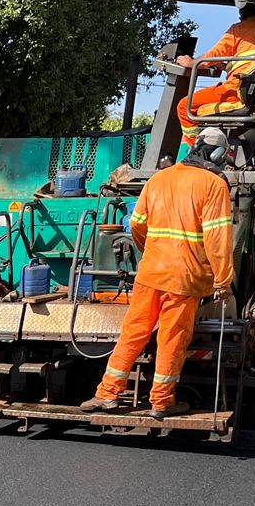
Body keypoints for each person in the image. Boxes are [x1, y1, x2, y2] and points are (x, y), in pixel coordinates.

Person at [81, 126, 234, 420]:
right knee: (171, 339)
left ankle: (107, 394)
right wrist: (223, 280)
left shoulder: (159, 179)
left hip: (150, 272)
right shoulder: (214, 186)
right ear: (216, 155)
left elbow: (136, 225)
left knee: (133, 332)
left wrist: (151, 250)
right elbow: (219, 240)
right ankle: (162, 402)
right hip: (183, 279)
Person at [175, 4, 255, 146]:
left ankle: (196, 153)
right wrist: (226, 67)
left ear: (242, 12)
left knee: (185, 106)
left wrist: (190, 63)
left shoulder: (239, 29)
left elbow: (211, 56)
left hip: (237, 91)